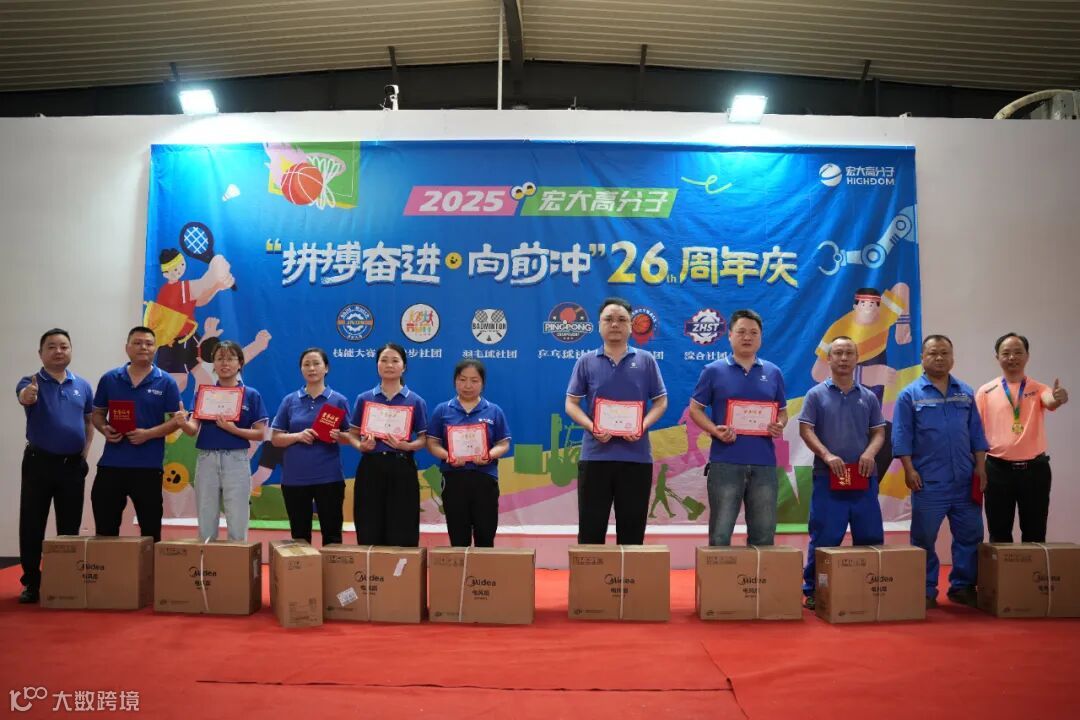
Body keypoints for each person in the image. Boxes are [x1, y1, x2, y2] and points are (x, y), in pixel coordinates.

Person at [893, 335, 988, 608]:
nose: (939, 358)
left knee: (970, 536)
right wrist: (909, 469)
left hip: (964, 480)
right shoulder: (910, 394)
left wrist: (981, 468)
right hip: (928, 481)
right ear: (922, 358)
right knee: (923, 538)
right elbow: (901, 435)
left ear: (952, 357)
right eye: (933, 353)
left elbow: (976, 434)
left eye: (945, 353)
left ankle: (963, 586)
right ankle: (925, 589)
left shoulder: (965, 392)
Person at [565, 297, 668, 545]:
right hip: (595, 457)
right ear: (598, 325)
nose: (615, 324)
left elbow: (661, 402)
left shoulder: (646, 360)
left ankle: (628, 572)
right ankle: (590, 573)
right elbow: (571, 403)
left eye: (622, 320)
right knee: (591, 530)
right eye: (608, 319)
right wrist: (592, 427)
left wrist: (642, 425)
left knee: (632, 533)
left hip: (636, 458)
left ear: (631, 326)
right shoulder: (586, 361)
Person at [798, 336, 886, 609]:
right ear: (829, 359)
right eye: (838, 353)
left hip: (862, 477)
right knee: (825, 537)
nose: (844, 358)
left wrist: (870, 453)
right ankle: (815, 589)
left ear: (857, 358)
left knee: (869, 536)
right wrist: (827, 455)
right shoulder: (815, 395)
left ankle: (867, 588)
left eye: (849, 353)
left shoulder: (868, 396)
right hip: (828, 477)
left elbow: (879, 432)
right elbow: (805, 429)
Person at [689, 309, 787, 547]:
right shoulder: (713, 370)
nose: (747, 337)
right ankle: (719, 574)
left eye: (753, 332)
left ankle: (758, 573)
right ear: (730, 336)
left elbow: (782, 411)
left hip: (764, 464)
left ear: (761, 337)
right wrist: (715, 430)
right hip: (725, 462)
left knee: (764, 535)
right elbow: (695, 409)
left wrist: (779, 424)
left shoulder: (773, 372)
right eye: (741, 332)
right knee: (720, 535)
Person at [14, 329, 94, 604]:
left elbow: (88, 423)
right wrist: (29, 395)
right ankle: (31, 583)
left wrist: (84, 455)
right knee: (32, 523)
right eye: (51, 347)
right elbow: (24, 397)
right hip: (39, 463)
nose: (58, 351)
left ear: (70, 350)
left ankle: (65, 581)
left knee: (69, 526)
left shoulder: (82, 385)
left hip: (72, 466)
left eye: (64, 346)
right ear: (41, 354)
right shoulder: (30, 382)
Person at [91, 326, 183, 543]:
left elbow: (177, 421)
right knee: (105, 530)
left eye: (149, 344)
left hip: (148, 467)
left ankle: (149, 567)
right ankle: (107, 565)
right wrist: (104, 428)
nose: (143, 347)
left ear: (155, 348)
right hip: (111, 465)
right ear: (127, 348)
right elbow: (97, 414)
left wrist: (149, 434)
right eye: (138, 343)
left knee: (150, 532)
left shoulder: (166, 381)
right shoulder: (110, 378)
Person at [811, 284, 912, 480]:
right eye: (863, 304)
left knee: (888, 437)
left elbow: (902, 287)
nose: (868, 309)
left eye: (873, 305)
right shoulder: (838, 329)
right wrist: (865, 375)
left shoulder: (884, 316)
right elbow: (818, 372)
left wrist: (903, 322)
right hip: (841, 407)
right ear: (855, 306)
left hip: (872, 402)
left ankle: (869, 484)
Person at [975, 332, 1068, 543]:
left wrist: (1058, 398)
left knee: (1035, 532)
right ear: (997, 357)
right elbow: (976, 432)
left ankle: (1032, 566)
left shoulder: (1039, 388)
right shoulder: (985, 391)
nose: (1012, 357)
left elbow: (1050, 401)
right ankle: (1002, 567)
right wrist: (979, 467)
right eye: (1006, 353)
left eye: (1018, 352)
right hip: (997, 470)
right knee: (999, 532)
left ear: (1027, 356)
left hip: (1035, 470)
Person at [174, 341, 268, 541]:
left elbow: (261, 434)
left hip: (236, 459)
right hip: (207, 458)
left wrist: (234, 430)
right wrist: (182, 422)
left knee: (238, 515)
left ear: (240, 363)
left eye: (230, 358)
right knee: (206, 515)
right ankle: (207, 559)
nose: (225, 363)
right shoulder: (203, 393)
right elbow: (192, 429)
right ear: (213, 364)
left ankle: (237, 557)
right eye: (219, 359)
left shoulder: (251, 395)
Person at [346, 343, 428, 547]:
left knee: (403, 524)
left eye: (395, 361)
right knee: (368, 522)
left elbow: (424, 439)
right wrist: (361, 446)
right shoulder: (364, 399)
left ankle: (401, 566)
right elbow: (352, 434)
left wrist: (407, 446)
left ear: (404, 366)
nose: (389, 365)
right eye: (384, 360)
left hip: (402, 467)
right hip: (371, 466)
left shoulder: (415, 401)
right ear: (377, 365)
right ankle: (371, 566)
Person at [270, 347, 350, 546]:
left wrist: (338, 436)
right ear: (301, 369)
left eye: (316, 364)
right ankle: (302, 568)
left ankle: (332, 568)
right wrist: (298, 436)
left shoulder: (338, 400)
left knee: (332, 536)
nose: (311, 368)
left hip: (329, 478)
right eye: (306, 364)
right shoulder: (290, 401)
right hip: (295, 479)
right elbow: (276, 438)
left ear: (326, 368)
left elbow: (351, 437)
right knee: (299, 537)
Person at [426, 360, 510, 547]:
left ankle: (483, 567)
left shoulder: (494, 411)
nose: (468, 385)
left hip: (485, 479)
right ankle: (460, 567)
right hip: (453, 479)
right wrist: (448, 456)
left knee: (485, 535)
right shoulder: (443, 410)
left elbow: (503, 444)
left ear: (483, 383)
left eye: (474, 380)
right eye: (462, 380)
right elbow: (432, 443)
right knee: (458, 537)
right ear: (455, 381)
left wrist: (489, 454)